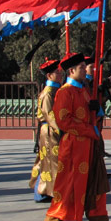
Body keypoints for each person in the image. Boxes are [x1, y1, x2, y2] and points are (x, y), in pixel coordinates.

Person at [42, 52, 111, 221]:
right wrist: (89, 130)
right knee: (68, 184)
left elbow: (94, 114)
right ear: (71, 70)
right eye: (82, 68)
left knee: (97, 181)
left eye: (85, 67)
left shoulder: (83, 89)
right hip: (74, 146)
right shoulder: (64, 92)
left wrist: (97, 109)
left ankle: (98, 220)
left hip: (90, 144)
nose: (85, 70)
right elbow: (63, 121)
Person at [29, 58, 63, 202]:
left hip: (52, 130)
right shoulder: (48, 93)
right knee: (51, 160)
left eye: (60, 72)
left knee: (49, 161)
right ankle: (47, 191)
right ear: (49, 76)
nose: (61, 75)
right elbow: (50, 116)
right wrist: (61, 130)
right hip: (50, 130)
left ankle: (44, 191)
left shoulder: (56, 90)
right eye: (57, 73)